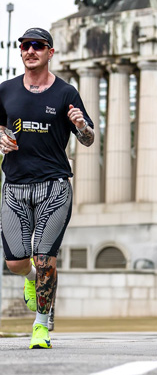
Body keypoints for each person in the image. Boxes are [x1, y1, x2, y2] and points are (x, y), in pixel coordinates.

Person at [0, 28, 95, 349]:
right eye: (25, 46)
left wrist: (81, 126)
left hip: (53, 187)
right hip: (14, 186)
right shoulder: (6, 90)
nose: (30, 51)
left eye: (37, 46)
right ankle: (30, 280)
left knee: (45, 258)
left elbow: (89, 137)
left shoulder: (66, 93)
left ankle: (41, 325)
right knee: (16, 262)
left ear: (50, 52)